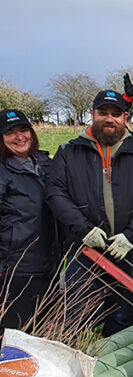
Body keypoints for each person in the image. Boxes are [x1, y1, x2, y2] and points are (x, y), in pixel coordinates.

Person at [47, 90, 133, 335]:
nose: (109, 119)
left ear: (125, 118)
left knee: (123, 318)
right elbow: (56, 194)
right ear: (92, 114)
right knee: (77, 316)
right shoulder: (68, 152)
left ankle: (113, 367)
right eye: (103, 113)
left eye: (116, 114)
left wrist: (131, 235)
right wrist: (83, 229)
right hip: (86, 251)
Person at [0, 110, 55, 330]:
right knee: (16, 332)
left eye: (23, 130)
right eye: (10, 133)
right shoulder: (3, 171)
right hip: (15, 268)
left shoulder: (45, 163)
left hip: (49, 263)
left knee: (41, 330)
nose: (19, 137)